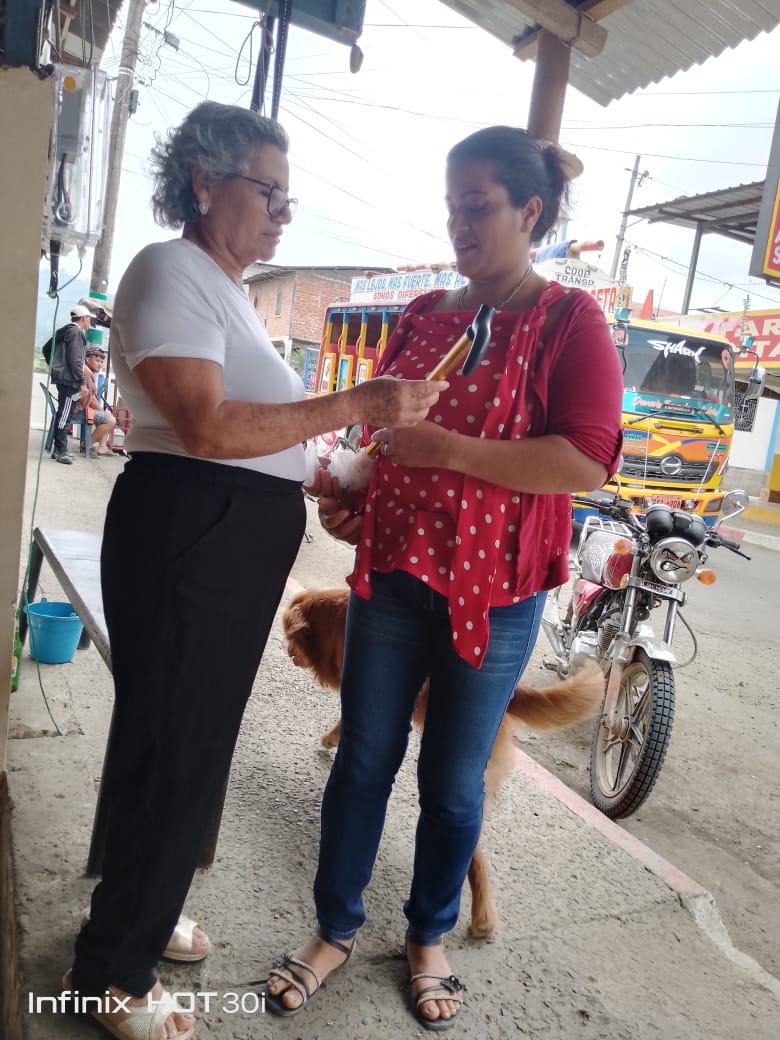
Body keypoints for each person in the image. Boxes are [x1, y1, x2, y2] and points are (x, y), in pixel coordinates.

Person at [65, 100, 445, 1040]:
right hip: (192, 527)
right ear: (204, 181)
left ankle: (137, 911)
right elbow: (204, 424)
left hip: (222, 531)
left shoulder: (225, 289)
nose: (283, 212)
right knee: (177, 740)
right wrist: (356, 403)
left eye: (288, 197)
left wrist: (324, 474)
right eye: (266, 190)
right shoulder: (170, 270)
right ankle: (110, 974)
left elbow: (258, 433)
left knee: (182, 738)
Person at [265, 125, 624, 1030]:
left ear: (529, 211)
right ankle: (335, 929)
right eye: (452, 206)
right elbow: (380, 442)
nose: (460, 223)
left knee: (455, 782)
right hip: (392, 577)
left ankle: (428, 936)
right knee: (363, 759)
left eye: (478, 207)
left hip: (496, 597)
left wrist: (451, 451)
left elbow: (587, 459)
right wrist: (352, 503)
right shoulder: (423, 315)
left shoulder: (568, 321)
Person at [44, 304, 91, 464]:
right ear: (83, 318)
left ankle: (60, 450)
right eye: (89, 318)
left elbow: (46, 349)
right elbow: (75, 360)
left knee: (65, 413)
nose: (89, 321)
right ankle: (61, 450)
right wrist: (81, 382)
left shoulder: (64, 330)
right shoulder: (76, 333)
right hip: (70, 381)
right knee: (65, 414)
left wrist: (55, 367)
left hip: (64, 378)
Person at [81, 346, 117, 457]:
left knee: (108, 415)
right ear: (87, 359)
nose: (100, 364)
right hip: (81, 410)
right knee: (111, 421)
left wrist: (101, 410)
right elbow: (91, 398)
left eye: (101, 362)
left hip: (84, 407)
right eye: (97, 361)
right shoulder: (86, 372)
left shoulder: (87, 371)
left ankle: (102, 447)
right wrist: (100, 409)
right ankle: (87, 444)